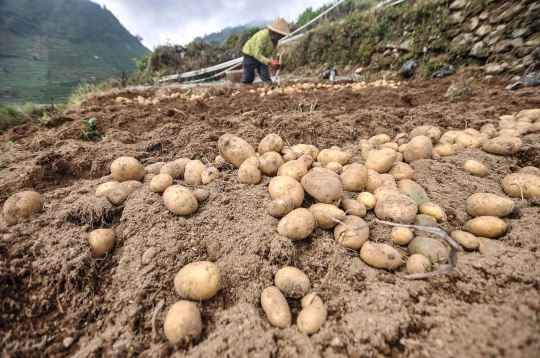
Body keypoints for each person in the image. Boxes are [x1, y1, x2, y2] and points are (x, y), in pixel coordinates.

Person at [241, 18, 291, 88]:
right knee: (248, 77)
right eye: (280, 36)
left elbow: (272, 52)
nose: (280, 38)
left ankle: (269, 86)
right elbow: (257, 53)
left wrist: (273, 61)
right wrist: (270, 62)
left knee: (265, 74)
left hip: (263, 57)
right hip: (251, 55)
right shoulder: (263, 36)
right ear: (276, 33)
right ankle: (244, 87)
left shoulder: (275, 40)